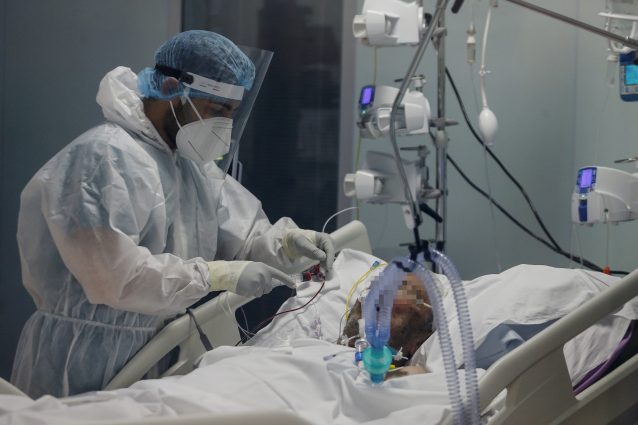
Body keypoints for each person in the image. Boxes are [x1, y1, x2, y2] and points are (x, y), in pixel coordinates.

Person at [11, 30, 334, 399]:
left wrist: (288, 244)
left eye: (232, 114)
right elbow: (113, 279)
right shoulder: (104, 158)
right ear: (170, 88)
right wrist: (216, 275)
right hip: (81, 358)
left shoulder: (190, 168)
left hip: (154, 354)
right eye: (217, 111)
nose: (224, 126)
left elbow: (245, 237)